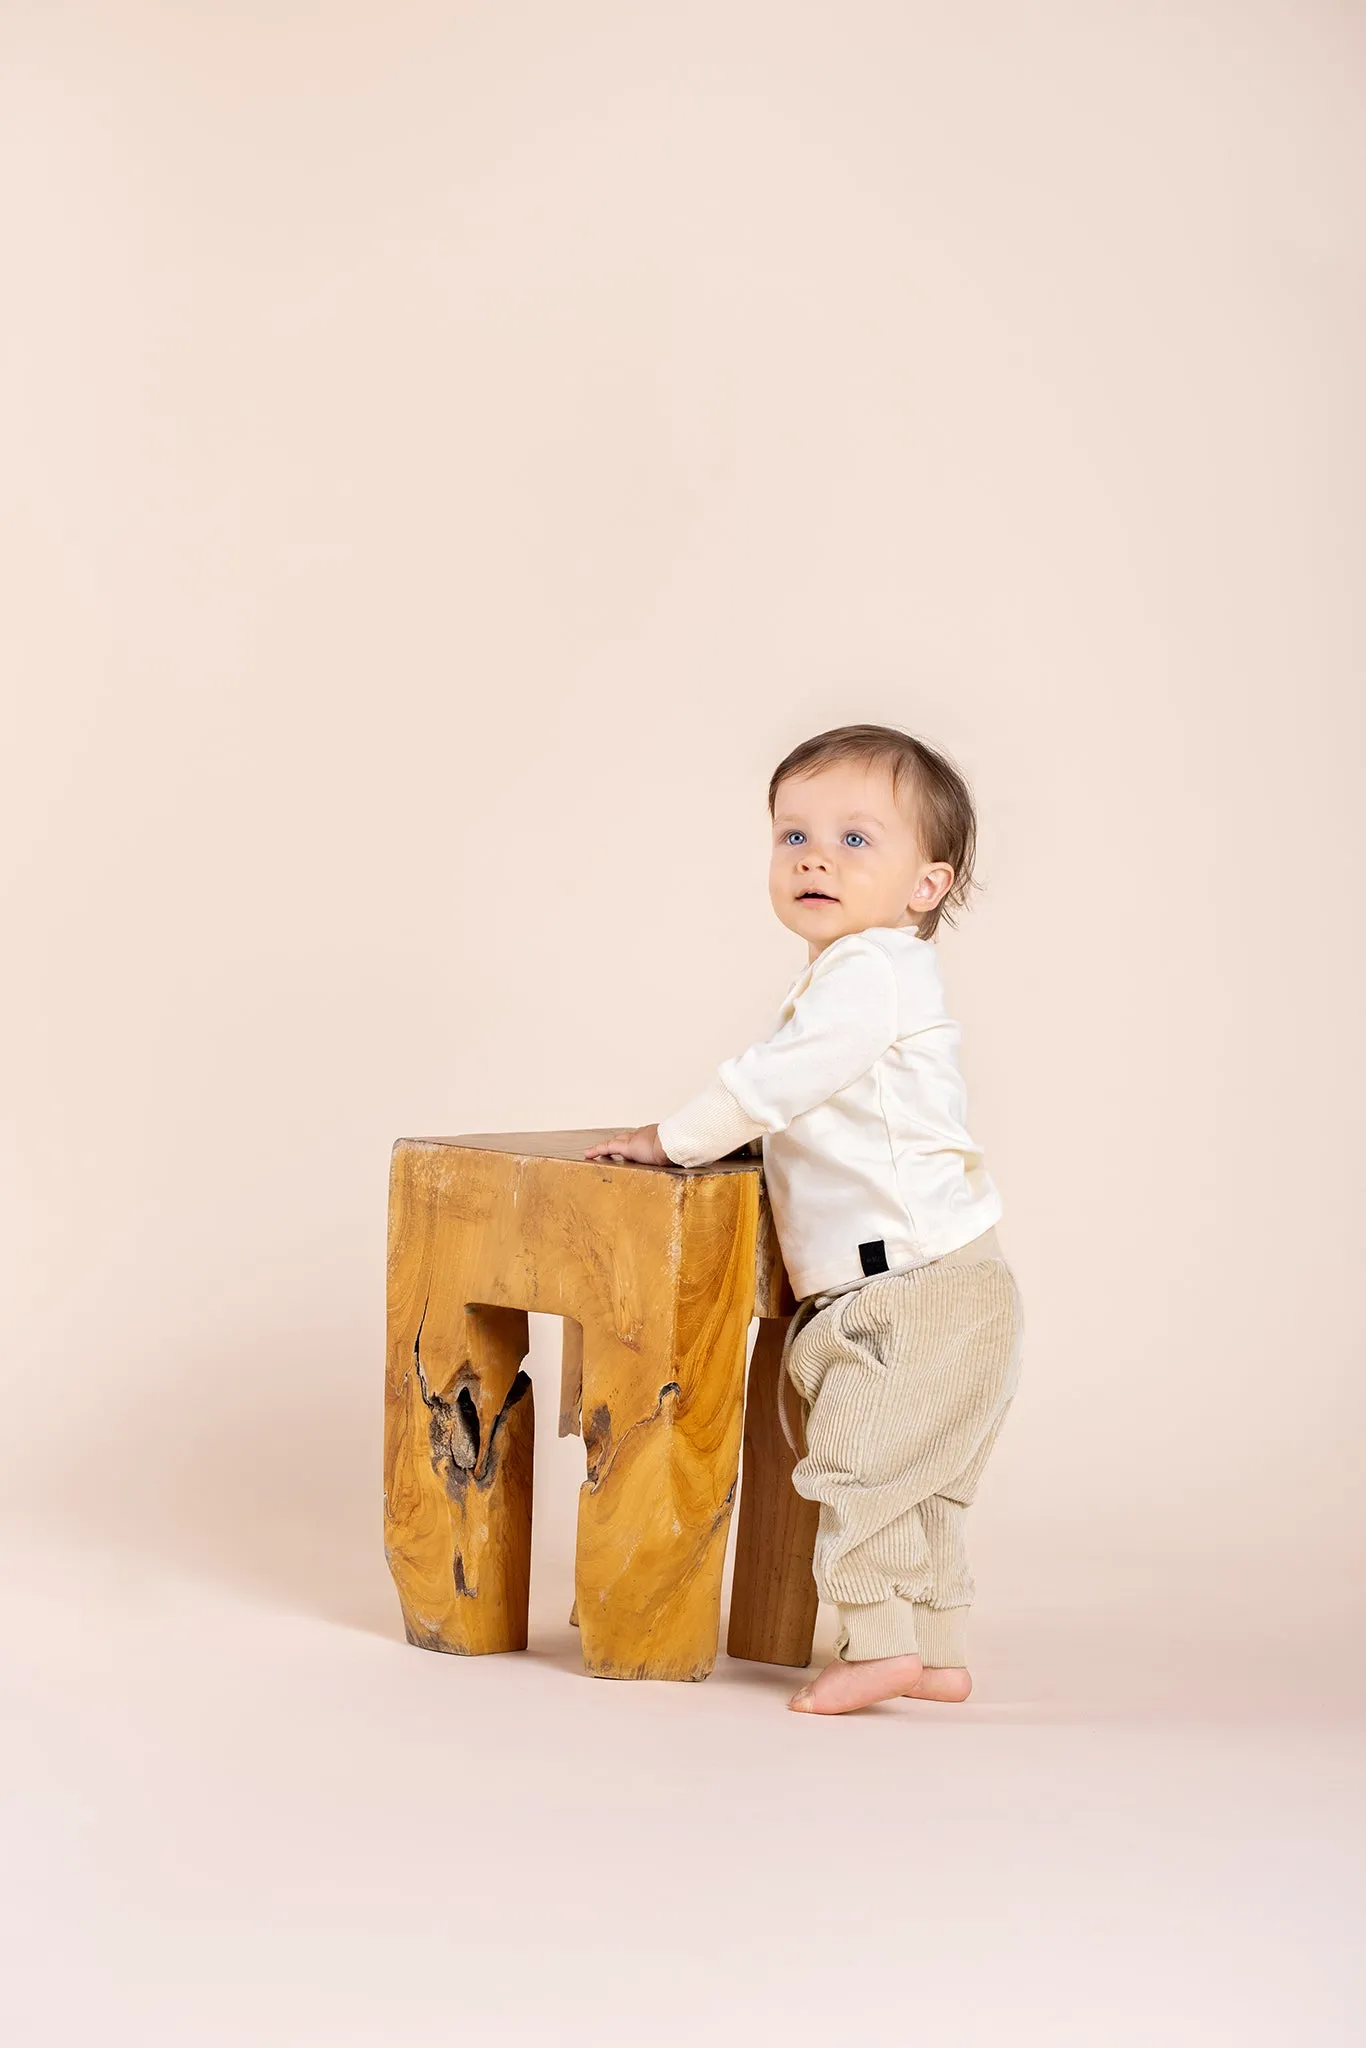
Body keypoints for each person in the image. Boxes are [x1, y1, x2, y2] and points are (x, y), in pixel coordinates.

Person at [584, 722, 1024, 1716]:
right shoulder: (862, 976)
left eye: (856, 838)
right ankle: (936, 1644)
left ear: (928, 884)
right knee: (926, 1480)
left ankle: (875, 1645)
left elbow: (771, 1085)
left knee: (862, 1471)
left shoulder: (869, 971)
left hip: (907, 1288)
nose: (815, 855)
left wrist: (674, 1137)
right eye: (792, 836)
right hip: (953, 1277)